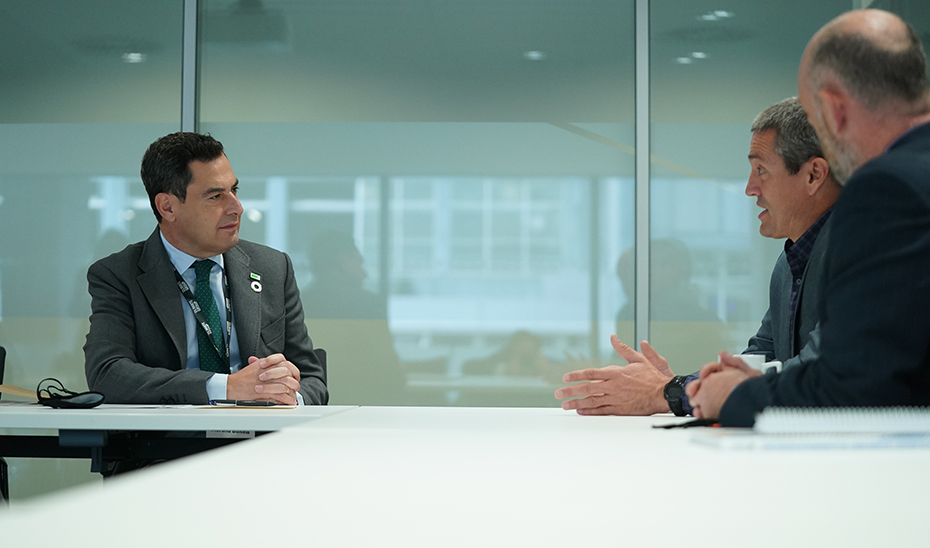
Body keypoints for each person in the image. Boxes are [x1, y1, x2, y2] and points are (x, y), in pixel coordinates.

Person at [689, 9, 930, 425]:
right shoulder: (789, 264)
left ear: (834, 109)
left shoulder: (888, 187)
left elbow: (855, 383)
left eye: (814, 116)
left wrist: (735, 396)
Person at [556, 97, 840, 416]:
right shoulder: (789, 264)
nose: (750, 188)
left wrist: (670, 391)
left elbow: (821, 371)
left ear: (814, 175)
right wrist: (681, 387)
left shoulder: (859, 253)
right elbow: (753, 364)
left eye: (761, 170)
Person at [84, 132, 327, 405]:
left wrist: (291, 396)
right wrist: (226, 387)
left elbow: (312, 378)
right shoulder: (119, 274)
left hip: (259, 440)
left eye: (234, 190)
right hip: (167, 442)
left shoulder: (272, 268)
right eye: (215, 197)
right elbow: (108, 373)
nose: (237, 207)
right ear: (167, 207)